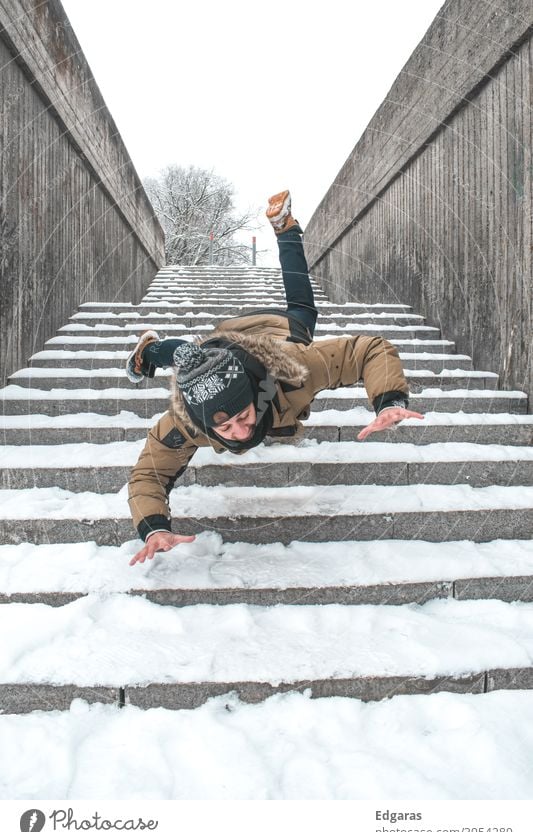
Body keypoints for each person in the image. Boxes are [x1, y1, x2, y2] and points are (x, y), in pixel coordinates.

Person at [127, 191, 424, 566]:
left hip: (283, 332)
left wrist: (389, 400)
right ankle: (147, 353)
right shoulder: (185, 424)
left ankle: (286, 230)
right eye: (226, 427)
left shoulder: (295, 370)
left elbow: (370, 349)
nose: (239, 431)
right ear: (203, 425)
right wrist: (153, 527)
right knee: (190, 357)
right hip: (225, 337)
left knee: (302, 308)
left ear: (256, 393)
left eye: (242, 416)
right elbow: (147, 476)